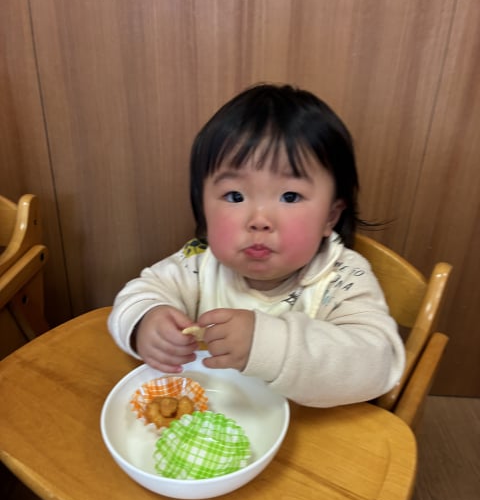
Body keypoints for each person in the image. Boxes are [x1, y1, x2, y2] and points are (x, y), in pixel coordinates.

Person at [108, 83, 405, 407]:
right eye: (235, 196)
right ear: (204, 209)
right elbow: (137, 295)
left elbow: (381, 364)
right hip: (214, 420)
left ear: (330, 217)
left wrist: (270, 347)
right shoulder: (198, 265)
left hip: (314, 432)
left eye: (289, 196)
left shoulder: (341, 278)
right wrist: (145, 322)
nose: (259, 220)